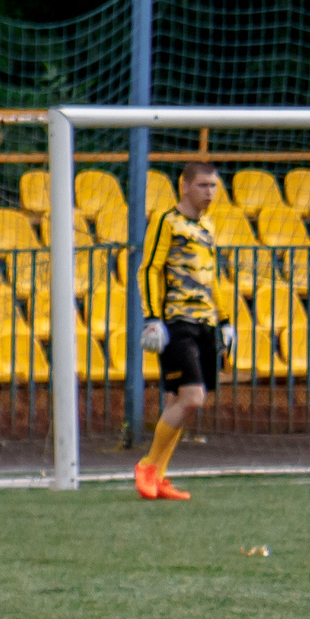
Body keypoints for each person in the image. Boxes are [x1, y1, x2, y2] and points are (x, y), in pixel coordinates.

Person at [135, 160, 223, 501]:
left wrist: (225, 319)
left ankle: (158, 477)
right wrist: (153, 316)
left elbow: (213, 277)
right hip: (177, 322)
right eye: (203, 185)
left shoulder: (209, 226)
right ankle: (147, 467)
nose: (210, 192)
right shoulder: (167, 221)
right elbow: (149, 268)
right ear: (185, 186)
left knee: (177, 402)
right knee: (193, 399)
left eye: (213, 186)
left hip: (206, 322)